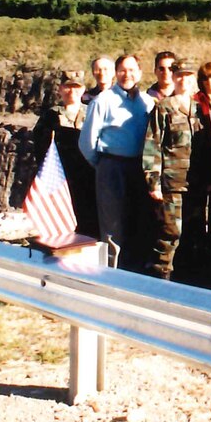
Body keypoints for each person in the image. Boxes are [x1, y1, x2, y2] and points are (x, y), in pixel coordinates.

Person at [79, 54, 156, 270]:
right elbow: (86, 142)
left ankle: (136, 274)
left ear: (140, 73)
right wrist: (103, 166)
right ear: (116, 73)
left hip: (140, 168)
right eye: (122, 70)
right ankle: (111, 274)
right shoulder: (102, 101)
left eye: (132, 70)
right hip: (111, 167)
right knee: (113, 227)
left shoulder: (147, 102)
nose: (127, 75)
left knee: (138, 221)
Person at [142, 61, 204, 279]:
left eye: (188, 76)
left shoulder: (199, 108)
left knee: (193, 231)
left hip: (195, 182)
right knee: (170, 232)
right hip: (171, 182)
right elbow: (153, 145)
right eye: (179, 75)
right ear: (173, 77)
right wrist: (153, 182)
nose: (183, 80)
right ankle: (161, 274)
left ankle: (187, 278)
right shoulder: (163, 107)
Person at [32, 70, 98, 237]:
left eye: (76, 87)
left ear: (83, 90)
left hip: (88, 173)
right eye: (68, 87)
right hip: (61, 175)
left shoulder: (92, 112)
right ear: (60, 89)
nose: (72, 92)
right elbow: (39, 145)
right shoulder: (51, 115)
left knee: (89, 215)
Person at [190, 62, 211, 257]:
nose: (210, 82)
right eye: (206, 78)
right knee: (199, 206)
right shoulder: (196, 100)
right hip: (202, 160)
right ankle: (199, 244)